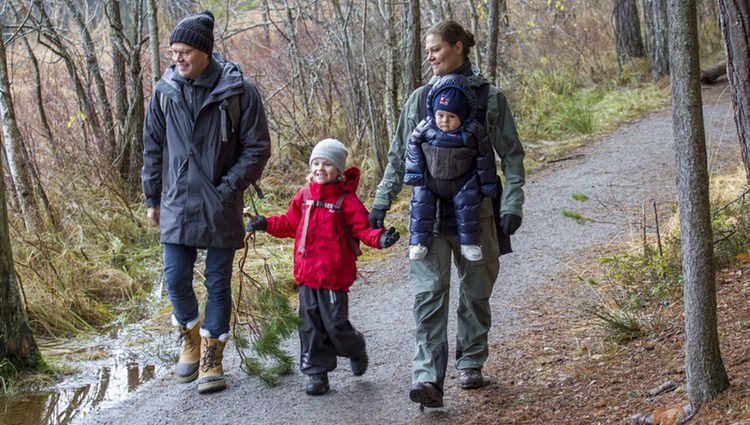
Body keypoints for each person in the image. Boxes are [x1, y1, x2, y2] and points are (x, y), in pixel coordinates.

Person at [368, 20, 525, 408]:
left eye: (436, 49)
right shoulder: (420, 99)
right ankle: (427, 379)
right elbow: (397, 158)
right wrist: (381, 202)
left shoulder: (490, 98)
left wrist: (512, 205)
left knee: (475, 293)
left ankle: (471, 361)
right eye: (427, 50)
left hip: (480, 218)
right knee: (428, 295)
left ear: (458, 47)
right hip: (428, 219)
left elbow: (513, 155)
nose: (430, 56)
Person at [141, 10, 271, 394]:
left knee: (217, 283)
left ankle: (213, 357)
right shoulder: (165, 92)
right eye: (173, 52)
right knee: (175, 278)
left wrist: (229, 188)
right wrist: (152, 197)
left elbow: (258, 148)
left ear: (203, 52)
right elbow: (153, 148)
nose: (177, 59)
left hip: (221, 202)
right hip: (177, 201)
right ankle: (190, 337)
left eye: (183, 52)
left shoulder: (239, 91)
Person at [245, 138, 400, 396]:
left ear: (338, 170)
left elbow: (363, 229)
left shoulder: (346, 201)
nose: (320, 169)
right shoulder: (304, 196)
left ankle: (355, 348)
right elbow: (288, 224)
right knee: (310, 325)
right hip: (306, 274)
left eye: (327, 164)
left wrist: (381, 238)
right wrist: (264, 223)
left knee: (335, 325)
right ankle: (317, 374)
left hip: (333, 276)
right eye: (316, 163)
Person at [404, 73, 497, 262]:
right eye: (440, 115)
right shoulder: (426, 127)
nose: (444, 120)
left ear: (462, 116)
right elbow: (412, 145)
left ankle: (469, 243)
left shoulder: (473, 130)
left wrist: (488, 184)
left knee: (469, 205)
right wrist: (414, 172)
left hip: (462, 180)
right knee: (421, 204)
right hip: (431, 180)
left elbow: (485, 157)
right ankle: (418, 243)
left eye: (451, 116)